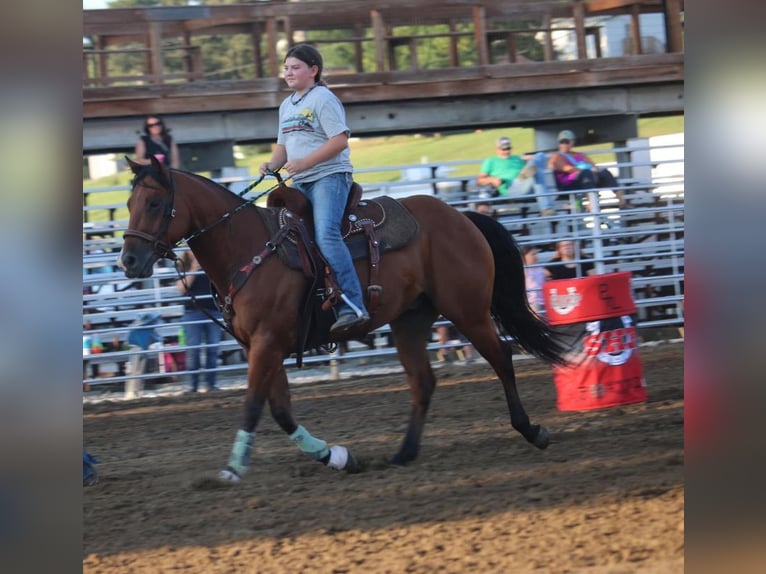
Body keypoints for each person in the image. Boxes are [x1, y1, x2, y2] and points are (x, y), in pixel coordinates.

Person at [259, 43, 369, 335]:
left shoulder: (323, 99)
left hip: (329, 177)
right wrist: (272, 165)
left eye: (295, 67)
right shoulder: (287, 105)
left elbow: (339, 140)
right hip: (302, 181)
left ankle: (353, 305)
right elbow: (283, 146)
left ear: (313, 70)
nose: (289, 73)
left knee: (326, 234)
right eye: (286, 68)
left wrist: (305, 162)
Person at [176, 251, 222, 393]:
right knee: (193, 350)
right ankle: (193, 386)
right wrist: (194, 268)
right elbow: (181, 288)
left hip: (213, 311)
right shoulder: (183, 264)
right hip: (192, 313)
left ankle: (211, 385)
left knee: (213, 349)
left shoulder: (212, 262)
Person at [547, 129, 627, 209]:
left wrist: (592, 170)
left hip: (585, 180)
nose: (564, 145)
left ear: (572, 142)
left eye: (566, 142)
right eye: (562, 142)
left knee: (605, 173)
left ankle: (621, 200)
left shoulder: (578, 155)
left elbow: (593, 166)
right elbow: (566, 168)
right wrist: (584, 170)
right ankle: (592, 204)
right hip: (568, 184)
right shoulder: (556, 156)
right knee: (586, 174)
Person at [476, 136, 554, 216]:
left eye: (508, 148)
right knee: (537, 172)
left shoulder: (517, 158)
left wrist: (531, 159)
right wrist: (492, 179)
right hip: (510, 188)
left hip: (526, 186)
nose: (506, 151)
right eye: (504, 149)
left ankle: (526, 172)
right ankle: (546, 208)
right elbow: (480, 180)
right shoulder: (490, 161)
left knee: (540, 156)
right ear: (497, 149)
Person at [522, 246, 546, 313]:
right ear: (525, 256)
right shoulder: (524, 270)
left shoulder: (541, 269)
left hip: (543, 300)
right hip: (532, 301)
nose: (535, 256)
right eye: (532, 254)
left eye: (536, 254)